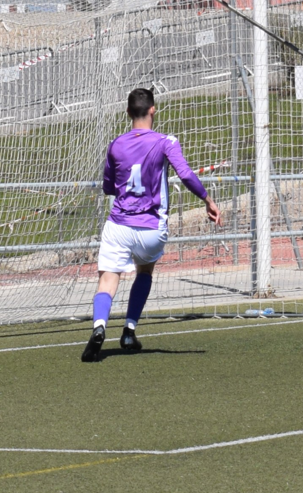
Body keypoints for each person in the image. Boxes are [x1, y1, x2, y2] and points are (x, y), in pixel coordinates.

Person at [84, 88, 222, 362]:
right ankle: (129, 330)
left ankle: (99, 326)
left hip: (119, 225)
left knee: (108, 279)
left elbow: (108, 188)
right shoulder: (166, 141)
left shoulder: (115, 144)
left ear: (127, 113)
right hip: (151, 228)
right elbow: (185, 174)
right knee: (144, 271)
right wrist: (207, 199)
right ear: (153, 110)